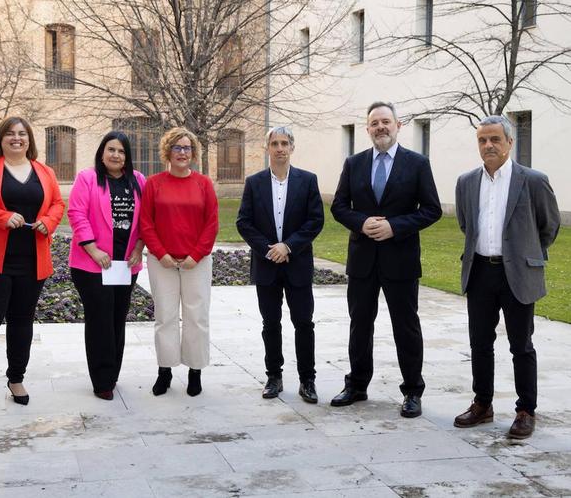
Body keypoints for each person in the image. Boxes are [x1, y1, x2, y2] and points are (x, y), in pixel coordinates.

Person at [330, 101, 442, 418]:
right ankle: (357, 385)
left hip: (401, 260)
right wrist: (361, 222)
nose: (380, 127)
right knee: (360, 326)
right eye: (374, 123)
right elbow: (339, 206)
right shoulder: (354, 163)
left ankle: (412, 391)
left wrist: (395, 226)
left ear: (398, 125)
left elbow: (431, 209)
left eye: (385, 122)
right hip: (363, 259)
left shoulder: (417, 164)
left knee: (406, 327)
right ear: (367, 129)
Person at [453, 115, 560, 439]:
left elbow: (549, 227)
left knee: (521, 345)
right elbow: (464, 224)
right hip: (480, 271)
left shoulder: (533, 180)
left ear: (509, 142)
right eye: (483, 140)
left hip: (518, 274)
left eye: (495, 139)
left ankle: (526, 410)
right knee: (480, 343)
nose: (488, 145)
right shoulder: (466, 182)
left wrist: (526, 254)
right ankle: (482, 404)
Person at [0, 116, 64, 408]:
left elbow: (57, 204)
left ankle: (16, 378)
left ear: (29, 139)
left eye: (22, 134)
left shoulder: (44, 171)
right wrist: (2, 217)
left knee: (21, 322)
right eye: (10, 134)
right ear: (0, 139)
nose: (16, 138)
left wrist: (48, 222)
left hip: (31, 260)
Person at [236, 127, 324, 403]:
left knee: (303, 323)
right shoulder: (254, 182)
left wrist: (289, 246)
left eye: (284, 143)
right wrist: (268, 249)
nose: (279, 148)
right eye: (274, 143)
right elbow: (243, 222)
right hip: (266, 265)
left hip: (297, 264)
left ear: (292, 147)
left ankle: (307, 380)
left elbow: (315, 221)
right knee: (270, 323)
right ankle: (274, 375)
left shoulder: (308, 181)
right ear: (267, 148)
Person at [140, 127, 218, 397]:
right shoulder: (154, 183)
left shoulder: (204, 184)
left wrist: (196, 255)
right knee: (165, 316)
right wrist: (160, 253)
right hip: (162, 262)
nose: (182, 152)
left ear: (193, 153)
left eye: (187, 148)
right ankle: (165, 371)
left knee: (197, 317)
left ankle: (195, 372)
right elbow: (146, 223)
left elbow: (212, 223)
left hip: (196, 262)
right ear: (168, 152)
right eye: (177, 147)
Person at [68, 131, 146, 400]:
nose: (116, 155)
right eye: (111, 150)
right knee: (100, 320)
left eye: (121, 151)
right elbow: (76, 213)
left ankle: (112, 374)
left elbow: (147, 218)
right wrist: (92, 248)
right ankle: (102, 382)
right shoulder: (87, 178)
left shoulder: (138, 181)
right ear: (102, 152)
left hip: (125, 265)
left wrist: (138, 249)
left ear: (127, 157)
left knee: (117, 319)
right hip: (92, 265)